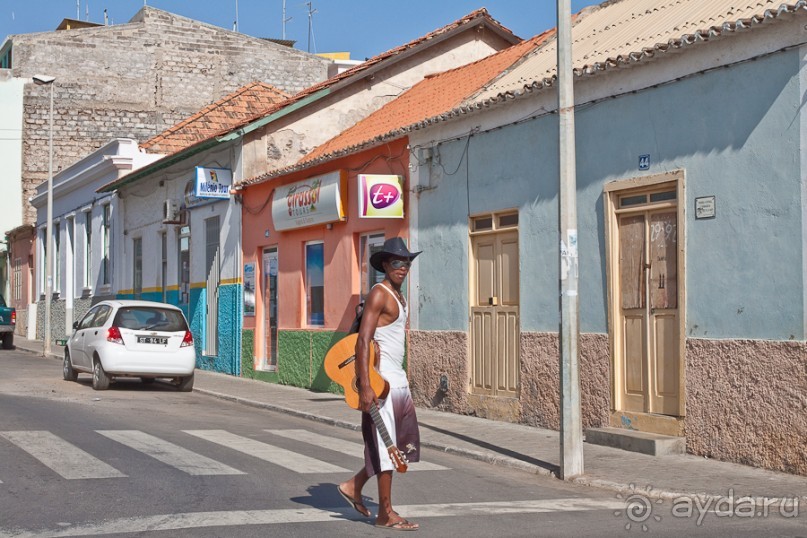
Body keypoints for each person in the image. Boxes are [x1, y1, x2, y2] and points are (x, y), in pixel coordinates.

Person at [338, 237, 421, 531]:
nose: (403, 267)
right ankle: (385, 514)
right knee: (388, 447)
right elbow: (363, 340)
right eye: (397, 262)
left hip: (396, 378)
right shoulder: (379, 293)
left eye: (407, 262)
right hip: (379, 380)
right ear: (385, 264)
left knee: (397, 446)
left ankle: (353, 485)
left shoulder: (398, 295)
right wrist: (366, 385)